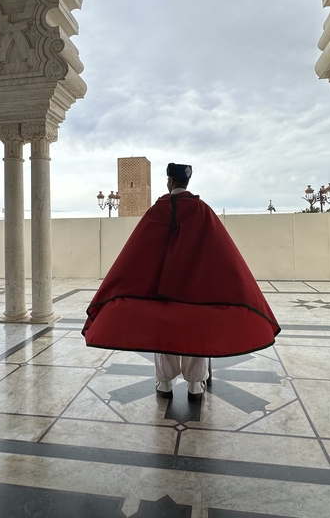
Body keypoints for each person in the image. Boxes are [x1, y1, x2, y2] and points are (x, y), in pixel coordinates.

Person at [83, 163, 280, 400]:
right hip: (195, 291)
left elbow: (138, 251)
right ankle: (195, 386)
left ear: (169, 182)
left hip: (159, 291)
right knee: (197, 331)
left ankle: (164, 383)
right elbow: (220, 252)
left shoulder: (157, 211)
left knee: (163, 331)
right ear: (187, 183)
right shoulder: (202, 211)